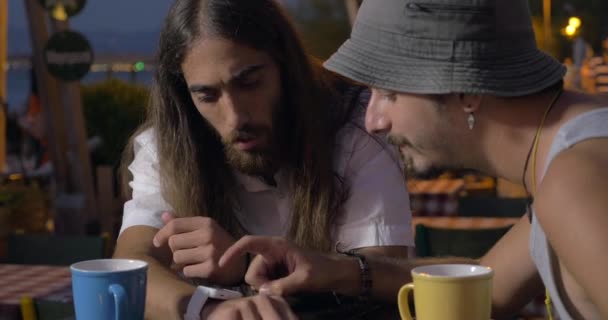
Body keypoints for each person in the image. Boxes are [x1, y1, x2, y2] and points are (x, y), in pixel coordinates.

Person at [220, 0, 608, 319]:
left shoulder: (576, 181)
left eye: (388, 93)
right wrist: (334, 270)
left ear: (467, 90)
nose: (373, 121)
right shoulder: (565, 162)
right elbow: (485, 291)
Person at [112, 0, 413, 319]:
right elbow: (130, 266)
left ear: (286, 67)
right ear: (185, 96)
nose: (235, 117)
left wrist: (244, 265)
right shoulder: (168, 147)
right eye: (207, 96)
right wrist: (212, 311)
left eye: (250, 83)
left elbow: (382, 275)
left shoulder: (357, 126)